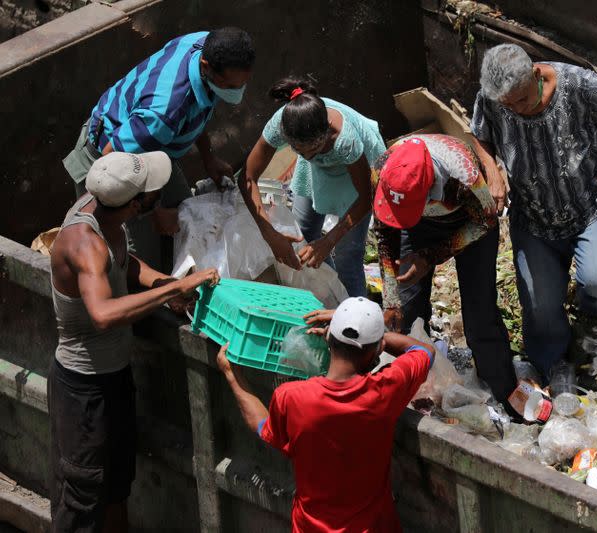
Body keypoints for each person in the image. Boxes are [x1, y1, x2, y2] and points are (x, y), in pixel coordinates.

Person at [48, 151, 220, 532]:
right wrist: (172, 290)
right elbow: (104, 314)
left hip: (115, 377)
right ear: (133, 205)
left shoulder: (106, 209)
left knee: (115, 488)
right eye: (150, 194)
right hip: (84, 391)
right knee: (82, 496)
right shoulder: (84, 243)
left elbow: (124, 263)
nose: (156, 197)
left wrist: (165, 283)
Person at [471, 43, 597, 395]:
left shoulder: (575, 84)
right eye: (508, 105)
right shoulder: (493, 97)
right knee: (540, 305)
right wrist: (492, 169)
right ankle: (553, 359)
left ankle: (592, 304)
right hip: (534, 219)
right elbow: (480, 133)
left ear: (536, 74)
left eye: (521, 101)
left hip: (588, 208)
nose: (516, 110)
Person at [218, 297, 433, 532]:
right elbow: (424, 350)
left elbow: (262, 426)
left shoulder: (291, 397)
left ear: (329, 337)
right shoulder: (385, 390)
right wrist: (377, 338)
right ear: (378, 349)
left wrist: (232, 375)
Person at [63, 27, 255, 269]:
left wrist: (209, 159)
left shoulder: (205, 44)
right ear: (205, 66)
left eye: (243, 84)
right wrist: (153, 212)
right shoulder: (163, 114)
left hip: (153, 151)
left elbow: (198, 108)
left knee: (190, 221)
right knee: (137, 262)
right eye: (229, 86)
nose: (237, 91)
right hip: (115, 166)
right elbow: (110, 162)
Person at [372, 134, 518, 416]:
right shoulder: (382, 170)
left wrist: (430, 257)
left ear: (430, 187)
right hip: (417, 226)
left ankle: (502, 398)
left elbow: (486, 221)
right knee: (404, 312)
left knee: (480, 315)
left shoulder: (463, 176)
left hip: (470, 224)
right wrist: (389, 298)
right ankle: (411, 397)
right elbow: (384, 230)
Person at [239, 77, 386, 296]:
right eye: (299, 150)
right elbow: (248, 178)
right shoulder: (282, 125)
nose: (306, 155)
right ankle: (330, 296)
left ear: (327, 131)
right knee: (304, 234)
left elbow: (365, 198)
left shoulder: (345, 139)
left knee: (348, 256)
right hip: (318, 166)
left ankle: (356, 320)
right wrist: (270, 233)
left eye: (313, 148)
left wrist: (329, 240)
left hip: (357, 168)